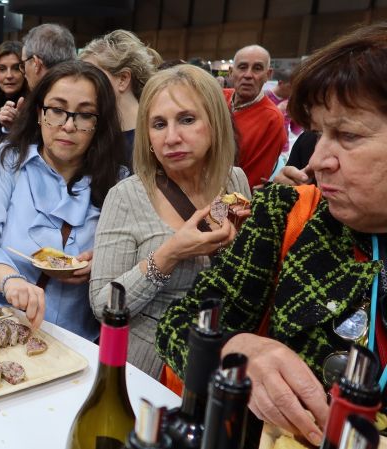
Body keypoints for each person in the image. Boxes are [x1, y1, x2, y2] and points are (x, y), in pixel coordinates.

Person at [155, 23, 387, 447]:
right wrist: (236, 350)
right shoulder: (287, 214)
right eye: (318, 134)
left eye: (348, 136)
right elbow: (179, 324)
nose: (317, 161)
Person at [90, 65, 247, 378]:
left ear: (214, 123)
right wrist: (170, 254)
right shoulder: (127, 196)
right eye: (159, 124)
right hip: (152, 366)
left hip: (222, 360)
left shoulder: (235, 181)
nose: (172, 137)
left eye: (187, 120)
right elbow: (103, 305)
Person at [0, 60, 128, 339]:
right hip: (4, 325)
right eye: (57, 110)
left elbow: (127, 257)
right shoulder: (9, 161)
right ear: (39, 113)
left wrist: (104, 262)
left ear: (100, 124)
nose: (68, 125)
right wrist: (10, 280)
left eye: (85, 115)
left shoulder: (118, 181)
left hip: (78, 340)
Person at [80, 29, 157, 170]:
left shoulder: (155, 138)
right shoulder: (94, 133)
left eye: (91, 77)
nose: (82, 85)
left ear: (123, 79)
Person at [225, 45, 286, 190]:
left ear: (268, 75)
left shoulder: (272, 119)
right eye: (242, 67)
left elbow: (250, 182)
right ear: (231, 72)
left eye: (257, 68)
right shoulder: (218, 97)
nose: (248, 75)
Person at [0, 23, 76, 132]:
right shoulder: (85, 95)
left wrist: (20, 128)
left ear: (36, 63)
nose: (24, 73)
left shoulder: (42, 104)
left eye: (23, 64)